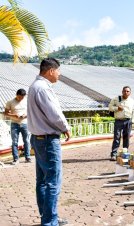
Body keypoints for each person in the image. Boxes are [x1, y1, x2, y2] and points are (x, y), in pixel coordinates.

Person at [27, 58, 71, 225]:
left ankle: (47, 216)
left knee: (43, 181)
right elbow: (54, 114)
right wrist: (65, 127)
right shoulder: (43, 88)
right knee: (53, 181)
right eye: (58, 71)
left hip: (38, 139)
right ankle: (50, 221)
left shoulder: (34, 86)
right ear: (51, 71)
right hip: (47, 140)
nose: (59, 75)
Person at [109, 86, 134, 160]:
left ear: (130, 93)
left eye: (128, 91)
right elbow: (110, 107)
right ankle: (114, 154)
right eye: (124, 91)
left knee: (126, 138)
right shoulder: (116, 99)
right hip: (118, 121)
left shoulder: (132, 101)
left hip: (128, 121)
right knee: (116, 137)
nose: (126, 92)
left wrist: (132, 120)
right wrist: (117, 108)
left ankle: (125, 153)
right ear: (122, 91)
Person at [5, 88, 31, 165]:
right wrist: (14, 115)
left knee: (26, 141)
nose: (21, 99)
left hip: (25, 123)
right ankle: (15, 159)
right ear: (16, 95)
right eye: (20, 97)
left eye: (23, 97)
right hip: (14, 124)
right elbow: (6, 113)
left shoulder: (26, 101)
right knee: (14, 142)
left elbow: (30, 111)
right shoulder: (10, 102)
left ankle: (27, 157)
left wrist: (25, 115)